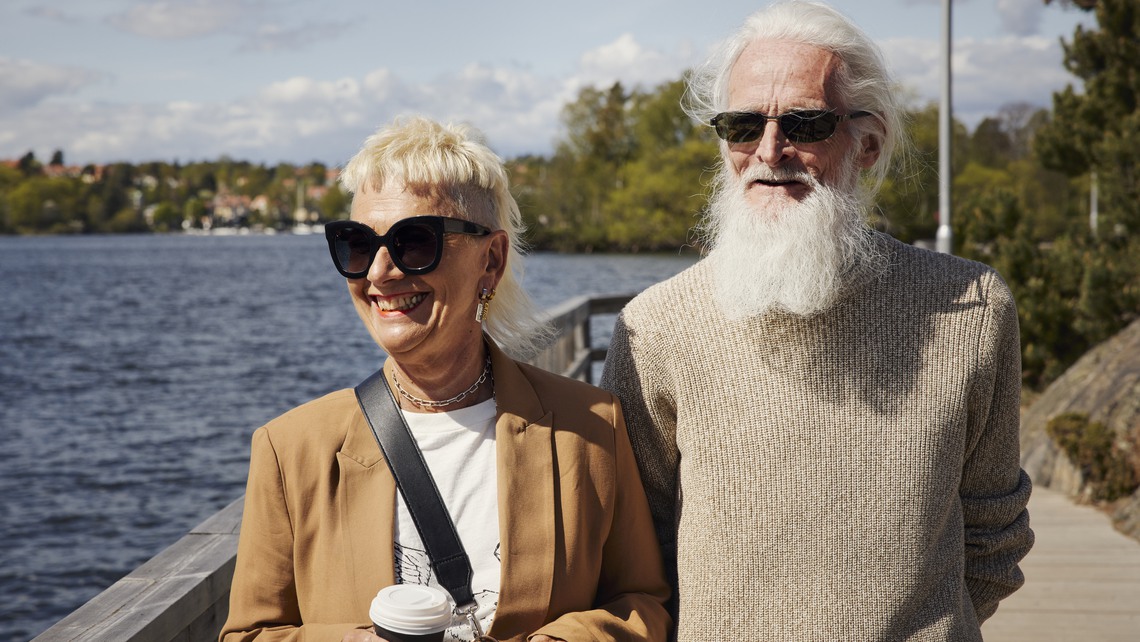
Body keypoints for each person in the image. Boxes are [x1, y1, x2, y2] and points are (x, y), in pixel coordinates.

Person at [599, 1, 1034, 640]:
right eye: (743, 125)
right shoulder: (655, 327)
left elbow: (994, 536)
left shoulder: (972, 308)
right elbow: (635, 555)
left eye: (805, 123)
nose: (769, 150)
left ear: (868, 144)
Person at [220, 116, 670, 642]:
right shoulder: (291, 449)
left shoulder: (589, 428)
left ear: (491, 261)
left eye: (413, 242)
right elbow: (250, 633)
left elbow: (641, 604)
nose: (378, 273)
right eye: (357, 244)